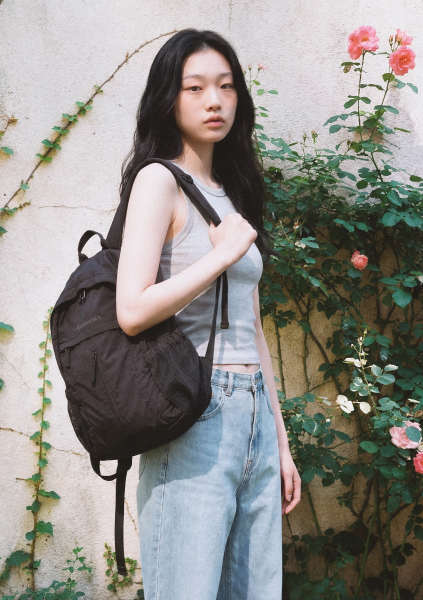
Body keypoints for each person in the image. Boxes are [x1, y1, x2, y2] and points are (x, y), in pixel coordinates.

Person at [115, 28, 301, 600]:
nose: (214, 101)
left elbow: (252, 326)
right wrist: (220, 256)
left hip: (253, 414)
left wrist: (280, 442)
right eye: (194, 88)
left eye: (225, 86)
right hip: (196, 408)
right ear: (168, 98)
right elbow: (132, 310)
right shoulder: (158, 181)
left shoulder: (234, 190)